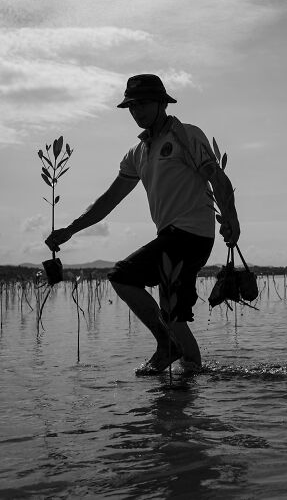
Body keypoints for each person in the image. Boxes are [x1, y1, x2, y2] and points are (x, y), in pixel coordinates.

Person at [45, 74, 240, 375]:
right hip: (172, 238)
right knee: (174, 316)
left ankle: (166, 345)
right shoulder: (137, 154)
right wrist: (71, 229)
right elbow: (108, 200)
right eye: (131, 106)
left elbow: (218, 177)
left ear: (162, 102)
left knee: (122, 275)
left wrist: (231, 218)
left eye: (143, 103)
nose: (137, 110)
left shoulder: (186, 135)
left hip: (190, 235)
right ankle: (188, 392)